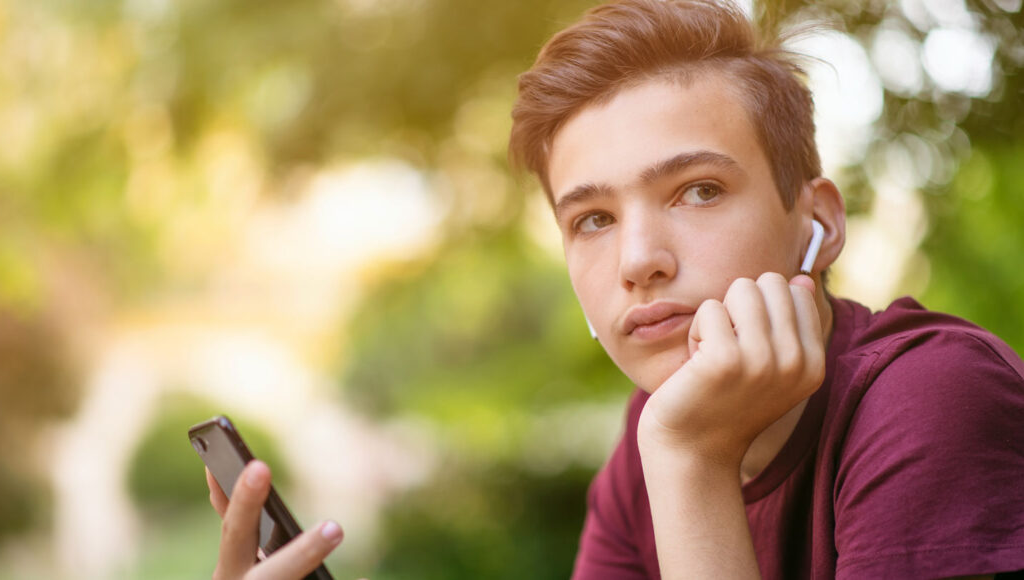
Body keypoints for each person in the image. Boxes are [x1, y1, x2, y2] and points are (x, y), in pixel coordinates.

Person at [205, 0, 1024, 578]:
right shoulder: (658, 435)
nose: (639, 260)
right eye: (592, 219)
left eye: (697, 190)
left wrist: (693, 463)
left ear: (819, 221)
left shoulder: (926, 398)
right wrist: (681, 455)